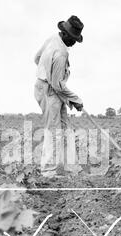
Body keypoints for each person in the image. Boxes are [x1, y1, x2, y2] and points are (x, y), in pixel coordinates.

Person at [34, 15, 84, 178]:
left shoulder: (53, 38)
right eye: (74, 40)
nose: (74, 43)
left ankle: (71, 166)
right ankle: (48, 170)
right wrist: (75, 100)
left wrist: (46, 70)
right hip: (50, 91)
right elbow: (57, 85)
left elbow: (36, 58)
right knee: (53, 130)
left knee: (65, 127)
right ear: (66, 34)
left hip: (44, 86)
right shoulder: (61, 53)